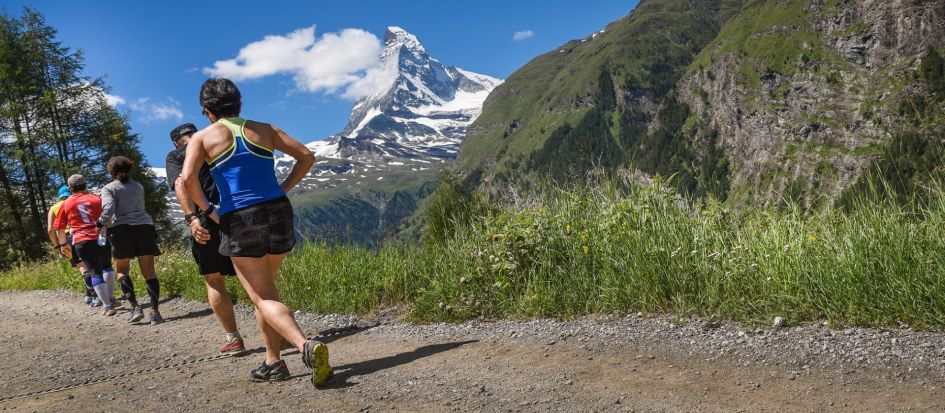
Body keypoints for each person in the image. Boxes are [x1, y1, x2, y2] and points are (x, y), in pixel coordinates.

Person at [181, 78, 331, 386]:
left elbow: (186, 181)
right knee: (266, 292)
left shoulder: (203, 138)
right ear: (239, 105)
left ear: (207, 111)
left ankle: (305, 346)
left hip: (240, 216)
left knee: (262, 297)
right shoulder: (265, 129)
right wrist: (284, 188)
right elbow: (307, 156)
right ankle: (273, 362)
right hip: (278, 211)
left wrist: (209, 211)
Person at [166, 122, 247, 356]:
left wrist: (192, 218)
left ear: (175, 143)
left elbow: (182, 182)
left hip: (205, 219)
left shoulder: (175, 156)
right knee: (252, 274)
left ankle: (234, 339)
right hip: (235, 214)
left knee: (214, 279)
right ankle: (278, 332)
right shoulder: (215, 144)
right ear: (197, 133)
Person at [99, 156, 163, 325]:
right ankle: (155, 312)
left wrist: (100, 223)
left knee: (122, 270)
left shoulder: (109, 188)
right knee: (149, 271)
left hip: (121, 230)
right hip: (144, 227)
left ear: (111, 171)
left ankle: (135, 307)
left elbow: (109, 209)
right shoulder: (138, 186)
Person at [54, 175, 117, 316]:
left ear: (70, 188)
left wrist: (63, 244)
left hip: (81, 239)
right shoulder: (96, 198)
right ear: (85, 185)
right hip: (101, 236)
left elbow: (59, 227)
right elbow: (108, 215)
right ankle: (112, 298)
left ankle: (107, 306)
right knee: (107, 266)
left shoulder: (66, 203)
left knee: (94, 271)